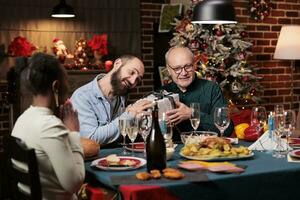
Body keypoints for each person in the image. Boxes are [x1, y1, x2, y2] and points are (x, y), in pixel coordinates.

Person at [11, 53, 85, 200]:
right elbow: (75, 184)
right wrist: (74, 133)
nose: (67, 88)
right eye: (66, 83)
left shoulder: (23, 118)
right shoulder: (49, 125)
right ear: (56, 86)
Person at [71, 55, 152, 145]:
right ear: (117, 64)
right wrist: (130, 114)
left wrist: (141, 122)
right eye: (131, 72)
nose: (133, 82)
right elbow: (90, 139)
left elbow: (119, 134)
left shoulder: (121, 96)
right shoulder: (82, 97)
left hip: (117, 155)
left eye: (138, 80)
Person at [161, 47, 234, 141]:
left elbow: (227, 129)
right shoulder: (161, 93)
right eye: (177, 68)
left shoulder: (212, 89)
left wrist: (193, 114)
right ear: (168, 69)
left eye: (188, 66)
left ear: (194, 65)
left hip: (204, 151)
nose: (183, 73)